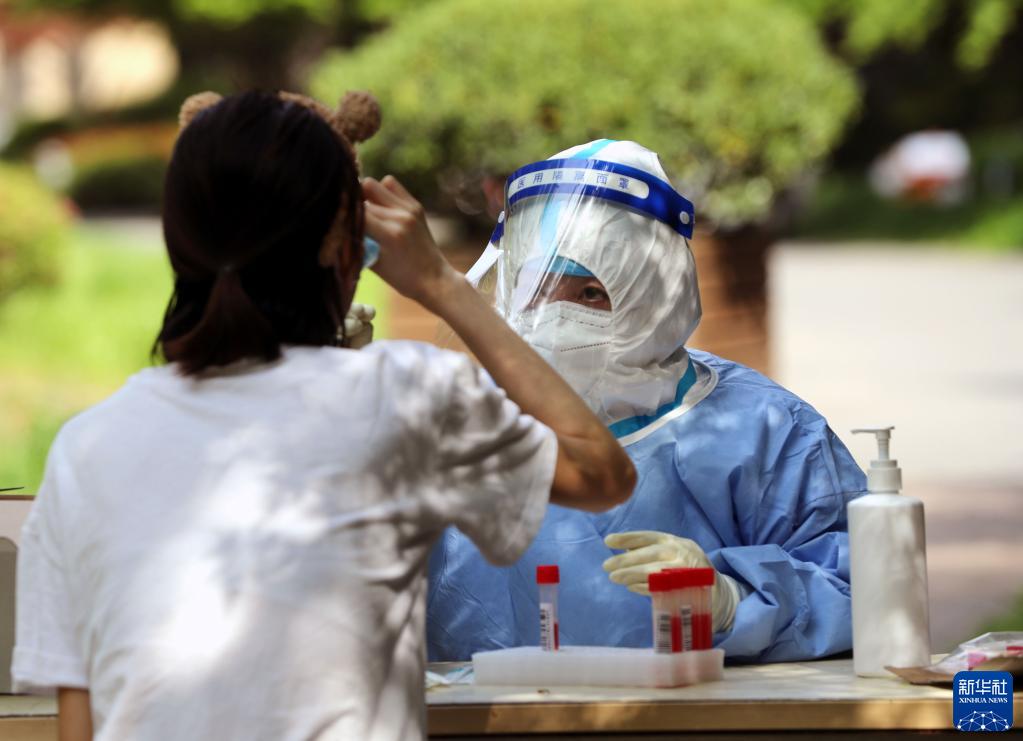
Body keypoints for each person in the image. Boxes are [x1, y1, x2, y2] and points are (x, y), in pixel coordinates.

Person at [12, 93, 635, 741]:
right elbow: (601, 470)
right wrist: (440, 283)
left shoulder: (83, 448)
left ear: (178, 243)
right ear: (347, 249)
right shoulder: (405, 395)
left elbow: (79, 720)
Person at [427, 139, 867, 663]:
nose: (556, 320)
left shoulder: (765, 430)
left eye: (591, 293)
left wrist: (732, 599)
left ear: (655, 300)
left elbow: (861, 588)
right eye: (538, 290)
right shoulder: (460, 431)